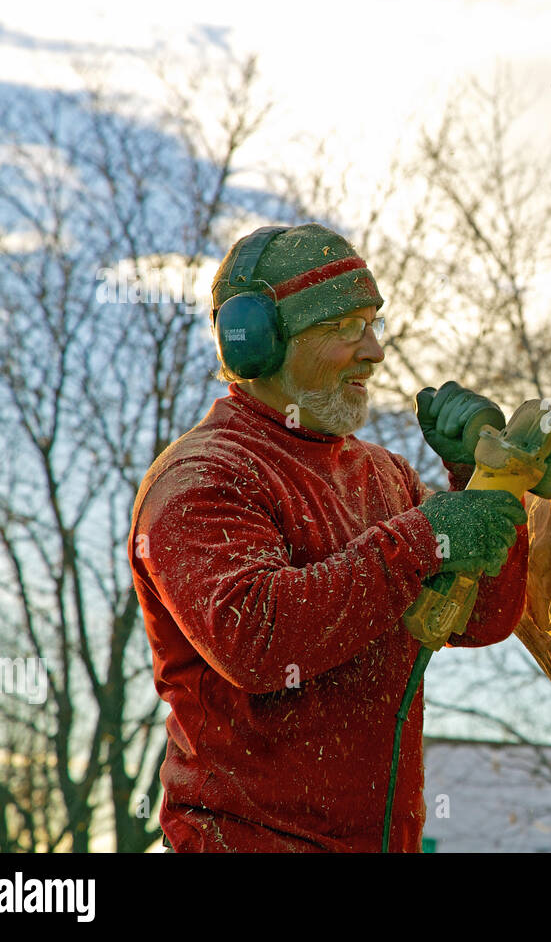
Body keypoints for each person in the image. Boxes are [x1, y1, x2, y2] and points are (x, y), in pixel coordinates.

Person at [129, 222, 528, 852]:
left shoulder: (384, 477)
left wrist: (484, 479)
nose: (374, 351)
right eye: (346, 327)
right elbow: (255, 637)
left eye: (373, 324)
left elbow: (483, 619)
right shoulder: (204, 478)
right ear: (258, 342)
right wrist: (424, 539)